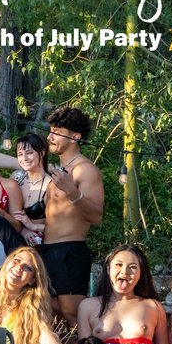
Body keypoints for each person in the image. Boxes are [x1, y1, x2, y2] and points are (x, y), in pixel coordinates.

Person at [41, 105, 104, 328]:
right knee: (51, 312)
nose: (50, 136)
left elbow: (96, 215)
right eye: (50, 130)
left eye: (57, 131)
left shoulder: (85, 170)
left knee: (72, 316)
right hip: (47, 250)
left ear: (75, 137)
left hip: (70, 250)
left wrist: (72, 191)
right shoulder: (58, 169)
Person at [10, 132, 51, 247]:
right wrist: (22, 230)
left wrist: (32, 226)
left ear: (42, 153)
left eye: (29, 153)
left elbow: (62, 226)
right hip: (15, 240)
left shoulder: (51, 185)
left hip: (42, 244)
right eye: (20, 154)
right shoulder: (16, 178)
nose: (24, 158)